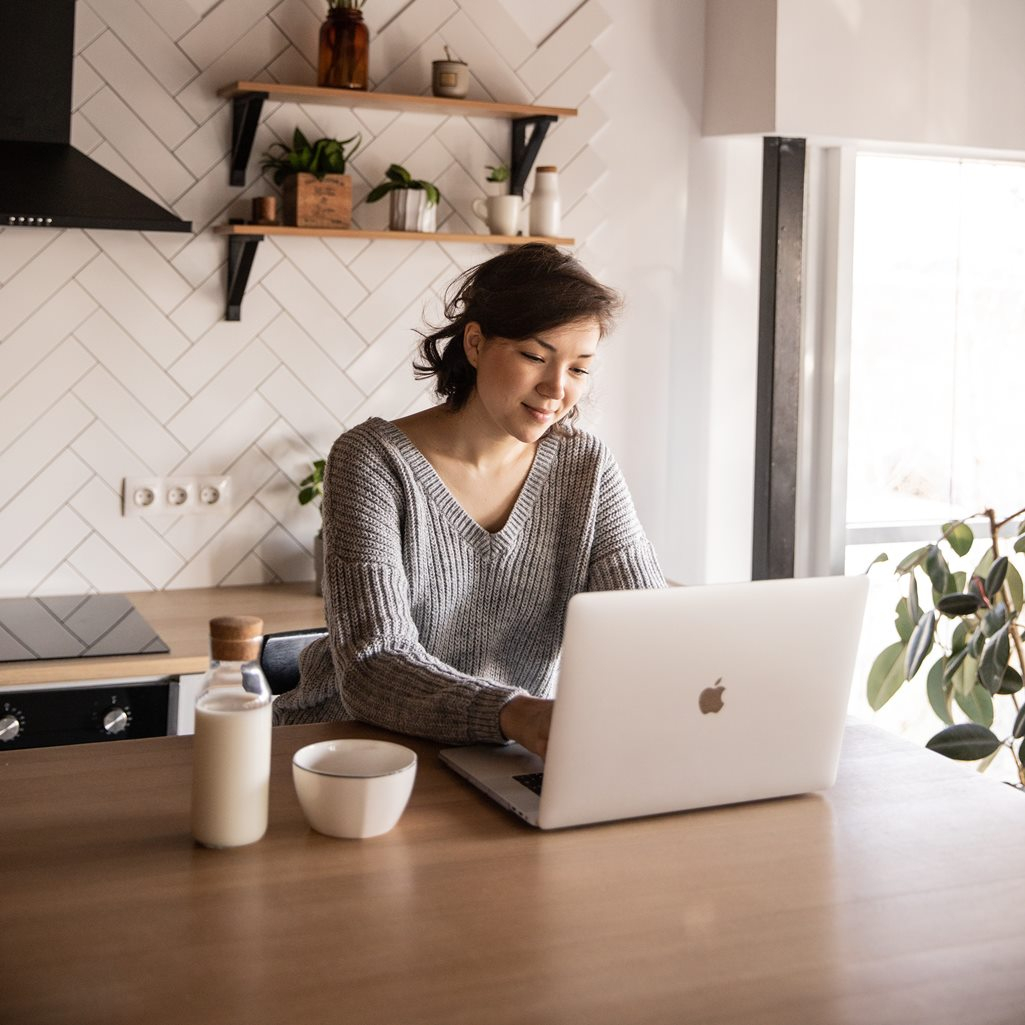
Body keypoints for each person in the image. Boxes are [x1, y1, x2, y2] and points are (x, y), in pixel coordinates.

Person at [273, 243, 665, 756]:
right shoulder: (372, 459)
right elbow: (374, 663)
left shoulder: (584, 467)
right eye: (534, 356)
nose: (556, 389)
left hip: (500, 750)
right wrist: (514, 713)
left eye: (579, 369)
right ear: (476, 344)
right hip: (347, 748)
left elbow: (646, 625)